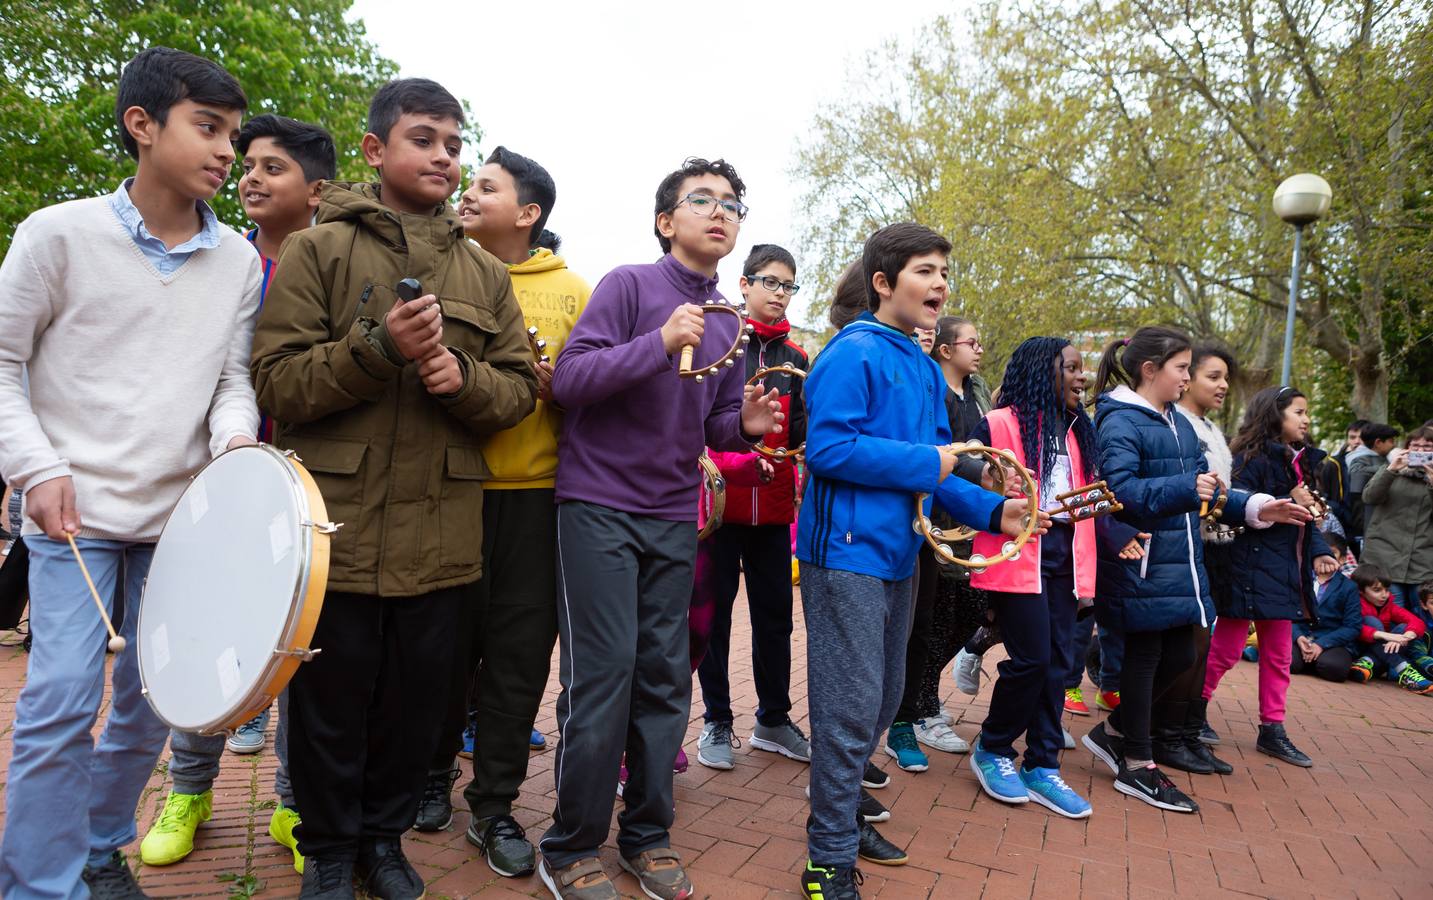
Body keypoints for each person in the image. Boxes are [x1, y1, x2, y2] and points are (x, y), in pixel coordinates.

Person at [251, 78, 538, 898]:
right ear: (376, 150)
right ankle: (333, 852)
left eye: (454, 143)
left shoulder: (483, 275)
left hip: (443, 539)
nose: (444, 156)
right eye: (424, 139)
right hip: (333, 532)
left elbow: (517, 391)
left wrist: (461, 377)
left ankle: (383, 844)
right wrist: (376, 349)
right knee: (327, 708)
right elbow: (276, 383)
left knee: (414, 714)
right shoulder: (316, 250)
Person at [0, 47, 260, 898]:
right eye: (209, 128)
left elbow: (230, 381)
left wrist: (234, 446)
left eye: (233, 133)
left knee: (156, 701)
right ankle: (38, 883)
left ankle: (101, 847)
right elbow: (3, 362)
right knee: (61, 701)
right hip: (71, 517)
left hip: (178, 522)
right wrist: (35, 468)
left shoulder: (237, 264)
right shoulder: (55, 233)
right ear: (141, 126)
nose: (228, 151)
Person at [537, 158, 784, 900]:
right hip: (598, 505)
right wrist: (654, 342)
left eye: (732, 204)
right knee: (603, 674)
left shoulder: (729, 324)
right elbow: (571, 381)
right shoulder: (627, 286)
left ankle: (647, 834)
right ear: (664, 220)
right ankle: (570, 844)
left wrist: (742, 424)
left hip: (676, 514)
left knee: (663, 675)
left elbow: (709, 423)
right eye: (701, 199)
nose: (720, 212)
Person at [795, 222, 1043, 900]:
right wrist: (924, 462)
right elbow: (827, 451)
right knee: (848, 710)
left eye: (943, 273)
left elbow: (944, 469)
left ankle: (841, 820)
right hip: (843, 556)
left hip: (899, 556)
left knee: (878, 701)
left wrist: (996, 513)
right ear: (883, 282)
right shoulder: (851, 353)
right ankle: (826, 861)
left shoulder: (917, 363)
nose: (939, 285)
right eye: (925, 271)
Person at [137, 111, 336, 877]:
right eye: (246, 163)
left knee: (297, 646)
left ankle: (290, 802)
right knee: (206, 628)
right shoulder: (220, 260)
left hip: (308, 484)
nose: (249, 176)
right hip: (219, 481)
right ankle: (187, 793)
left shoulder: (335, 264)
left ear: (315, 191)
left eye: (271, 167)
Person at [404, 147, 589, 879]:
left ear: (529, 212)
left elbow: (597, 397)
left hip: (535, 501)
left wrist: (562, 389)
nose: (467, 192)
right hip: (443, 493)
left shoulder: (576, 291)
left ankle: (495, 806)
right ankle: (426, 779)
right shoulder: (437, 271)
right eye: (469, 183)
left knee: (515, 664)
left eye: (487, 186)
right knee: (438, 654)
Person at [1083, 327, 1265, 813]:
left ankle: (1116, 733)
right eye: (1182, 367)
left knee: (1181, 652)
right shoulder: (1119, 422)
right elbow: (1118, 491)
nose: (1187, 376)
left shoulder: (1179, 422)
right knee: (1144, 660)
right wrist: (1189, 486)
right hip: (1139, 561)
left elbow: (1206, 489)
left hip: (1180, 562)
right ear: (1150, 370)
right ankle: (1137, 764)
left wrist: (1257, 508)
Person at [963, 337, 1131, 819]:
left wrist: (1101, 511)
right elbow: (964, 484)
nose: (1082, 377)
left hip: (1069, 565)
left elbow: (1076, 498)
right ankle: (993, 749)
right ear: (1043, 370)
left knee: (1060, 666)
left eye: (1083, 369)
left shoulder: (1081, 428)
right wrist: (997, 493)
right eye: (1072, 368)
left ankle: (1042, 764)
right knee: (1033, 660)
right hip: (1018, 560)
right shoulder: (998, 423)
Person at [695, 243, 811, 770]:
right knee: (713, 617)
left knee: (775, 618)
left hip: (775, 510)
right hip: (721, 507)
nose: (779, 294)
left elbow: (804, 433)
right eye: (770, 282)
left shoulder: (799, 358)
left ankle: (773, 718)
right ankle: (717, 720)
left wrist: (801, 462)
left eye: (788, 285)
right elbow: (700, 426)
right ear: (744, 285)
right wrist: (740, 462)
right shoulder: (721, 342)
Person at [1200, 386, 1338, 767]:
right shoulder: (1249, 459)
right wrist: (1288, 496)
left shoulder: (1303, 462)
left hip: (1281, 573)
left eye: (1306, 412)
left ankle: (1272, 729)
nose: (1306, 419)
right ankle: (1194, 708)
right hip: (1245, 569)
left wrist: (1322, 550)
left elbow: (1304, 523)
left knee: (1278, 655)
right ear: (1274, 415)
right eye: (1298, 412)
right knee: (1226, 650)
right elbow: (1235, 509)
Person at [886, 316, 991, 768]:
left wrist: (988, 499)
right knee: (901, 631)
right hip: (905, 528)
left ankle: (911, 712)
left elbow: (944, 459)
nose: (980, 350)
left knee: (935, 620)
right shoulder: (867, 359)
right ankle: (905, 717)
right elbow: (834, 448)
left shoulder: (962, 388)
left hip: (948, 522)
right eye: (971, 341)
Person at [1359, 426, 1433, 611]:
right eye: (1416, 446)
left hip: (1423, 563)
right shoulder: (1391, 470)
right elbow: (1369, 497)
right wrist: (1391, 470)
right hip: (1385, 561)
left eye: (1428, 447)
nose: (1421, 451)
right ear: (1407, 448)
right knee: (1391, 619)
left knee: (1423, 620)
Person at [1290, 532, 1364, 682]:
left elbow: (1352, 626)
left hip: (1330, 641)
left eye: (1332, 553)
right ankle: (1307, 659)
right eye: (1320, 551)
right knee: (1287, 661)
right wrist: (1298, 637)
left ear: (1342, 560)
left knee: (1334, 669)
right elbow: (1287, 612)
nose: (1326, 557)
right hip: (1301, 636)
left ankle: (1313, 660)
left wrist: (1321, 644)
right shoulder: (1300, 578)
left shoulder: (1349, 587)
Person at [1347, 565, 1433, 691]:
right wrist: (1383, 635)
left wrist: (1410, 633)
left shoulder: (1389, 606)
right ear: (1361, 590)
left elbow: (1416, 621)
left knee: (1404, 627)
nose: (1384, 595)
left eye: (1387, 590)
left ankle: (1366, 661)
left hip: (1377, 660)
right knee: (1371, 621)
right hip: (1358, 650)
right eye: (1377, 590)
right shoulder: (1353, 604)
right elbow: (1353, 629)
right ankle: (1404, 670)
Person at [1346, 422, 1399, 541]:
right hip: (1367, 520)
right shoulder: (1359, 458)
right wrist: (1390, 469)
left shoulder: (1385, 457)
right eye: (1390, 441)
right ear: (1378, 442)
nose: (1393, 445)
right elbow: (1358, 476)